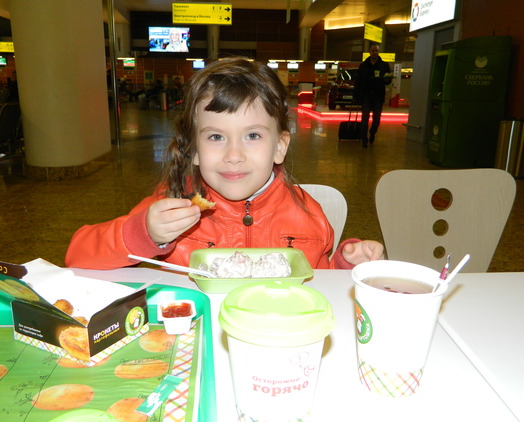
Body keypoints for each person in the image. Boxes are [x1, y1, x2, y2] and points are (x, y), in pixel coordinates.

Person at [65, 57, 383, 271]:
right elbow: (77, 256)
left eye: (253, 136)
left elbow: (319, 280)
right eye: (216, 137)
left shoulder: (309, 216)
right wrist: (144, 233)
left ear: (279, 147)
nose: (233, 154)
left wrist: (346, 264)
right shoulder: (172, 203)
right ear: (194, 149)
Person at [353, 44, 392, 148]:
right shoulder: (363, 65)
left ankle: (373, 132)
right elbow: (358, 81)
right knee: (364, 118)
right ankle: (364, 139)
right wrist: (356, 96)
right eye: (373, 50)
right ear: (370, 51)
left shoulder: (384, 65)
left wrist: (387, 79)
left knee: (377, 118)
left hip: (378, 96)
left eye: (376, 50)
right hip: (366, 95)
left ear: (378, 52)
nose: (374, 52)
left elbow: (388, 80)